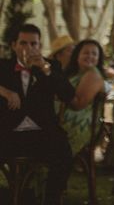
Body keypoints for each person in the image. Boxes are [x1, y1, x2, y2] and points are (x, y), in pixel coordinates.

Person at [0, 23, 76, 204]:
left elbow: (68, 95)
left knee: (64, 153)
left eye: (34, 44)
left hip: (41, 133)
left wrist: (45, 69)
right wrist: (5, 91)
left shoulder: (51, 67)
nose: (29, 48)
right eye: (23, 43)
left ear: (40, 46)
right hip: (9, 132)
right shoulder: (3, 66)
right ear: (14, 45)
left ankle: (50, 199)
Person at [60, 38, 106, 156]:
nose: (90, 56)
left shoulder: (93, 75)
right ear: (77, 55)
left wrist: (59, 92)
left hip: (80, 124)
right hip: (63, 117)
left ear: (98, 58)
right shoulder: (75, 73)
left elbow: (78, 104)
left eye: (94, 54)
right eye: (86, 52)